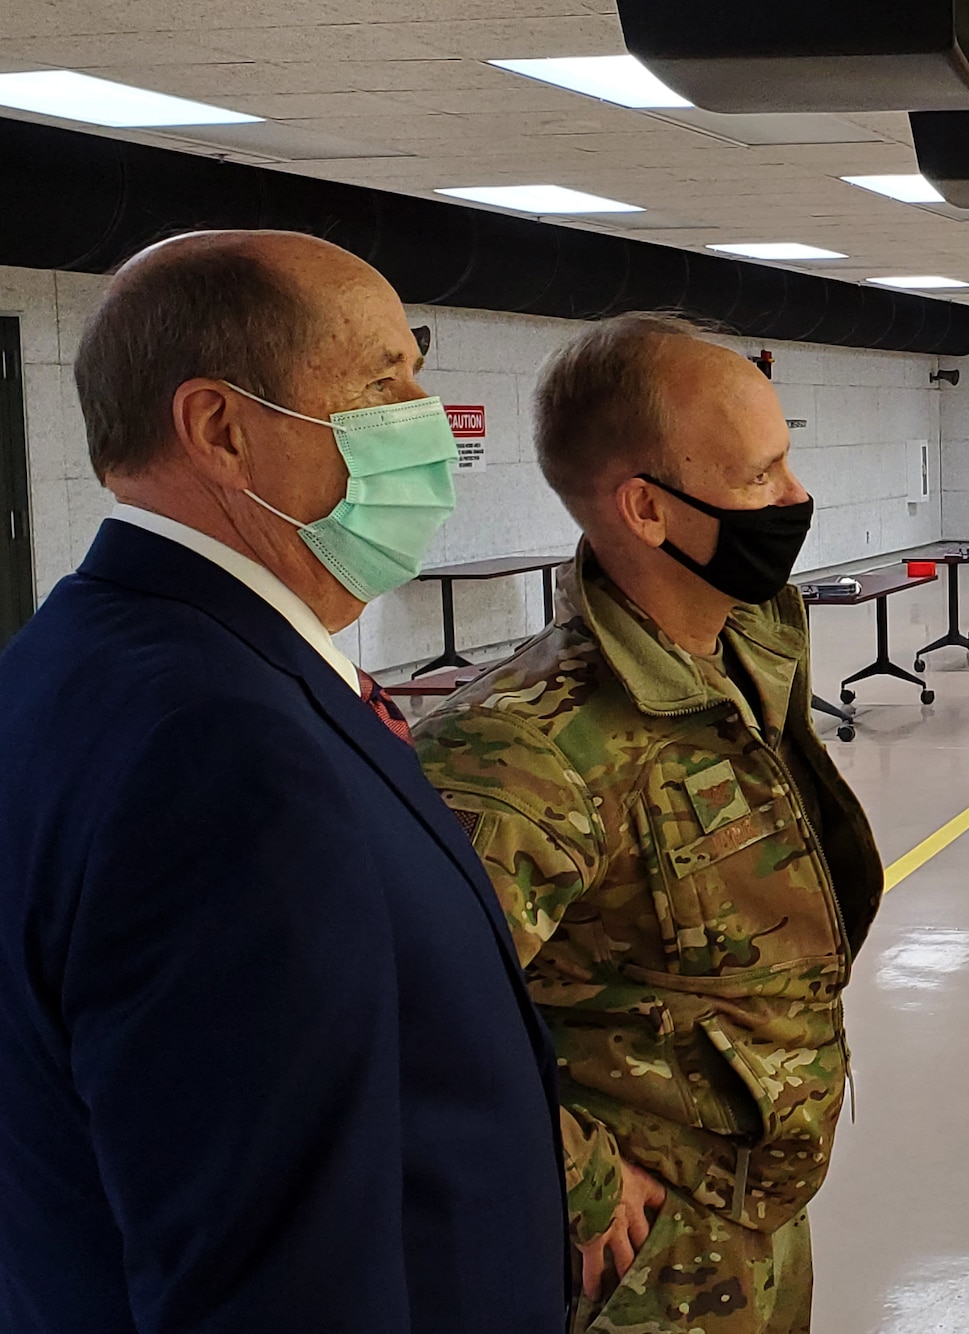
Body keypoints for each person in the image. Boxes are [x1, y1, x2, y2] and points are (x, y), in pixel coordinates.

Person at [0, 231, 567, 1333]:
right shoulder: (220, 750)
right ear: (220, 427)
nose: (425, 410)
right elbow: (268, 1265)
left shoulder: (73, 661)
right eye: (382, 378)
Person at [413, 312, 884, 1334]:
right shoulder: (525, 750)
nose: (795, 496)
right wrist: (574, 1174)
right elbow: (391, 1017)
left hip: (756, 1207)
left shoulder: (741, 641)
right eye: (759, 474)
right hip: (648, 1264)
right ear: (647, 508)